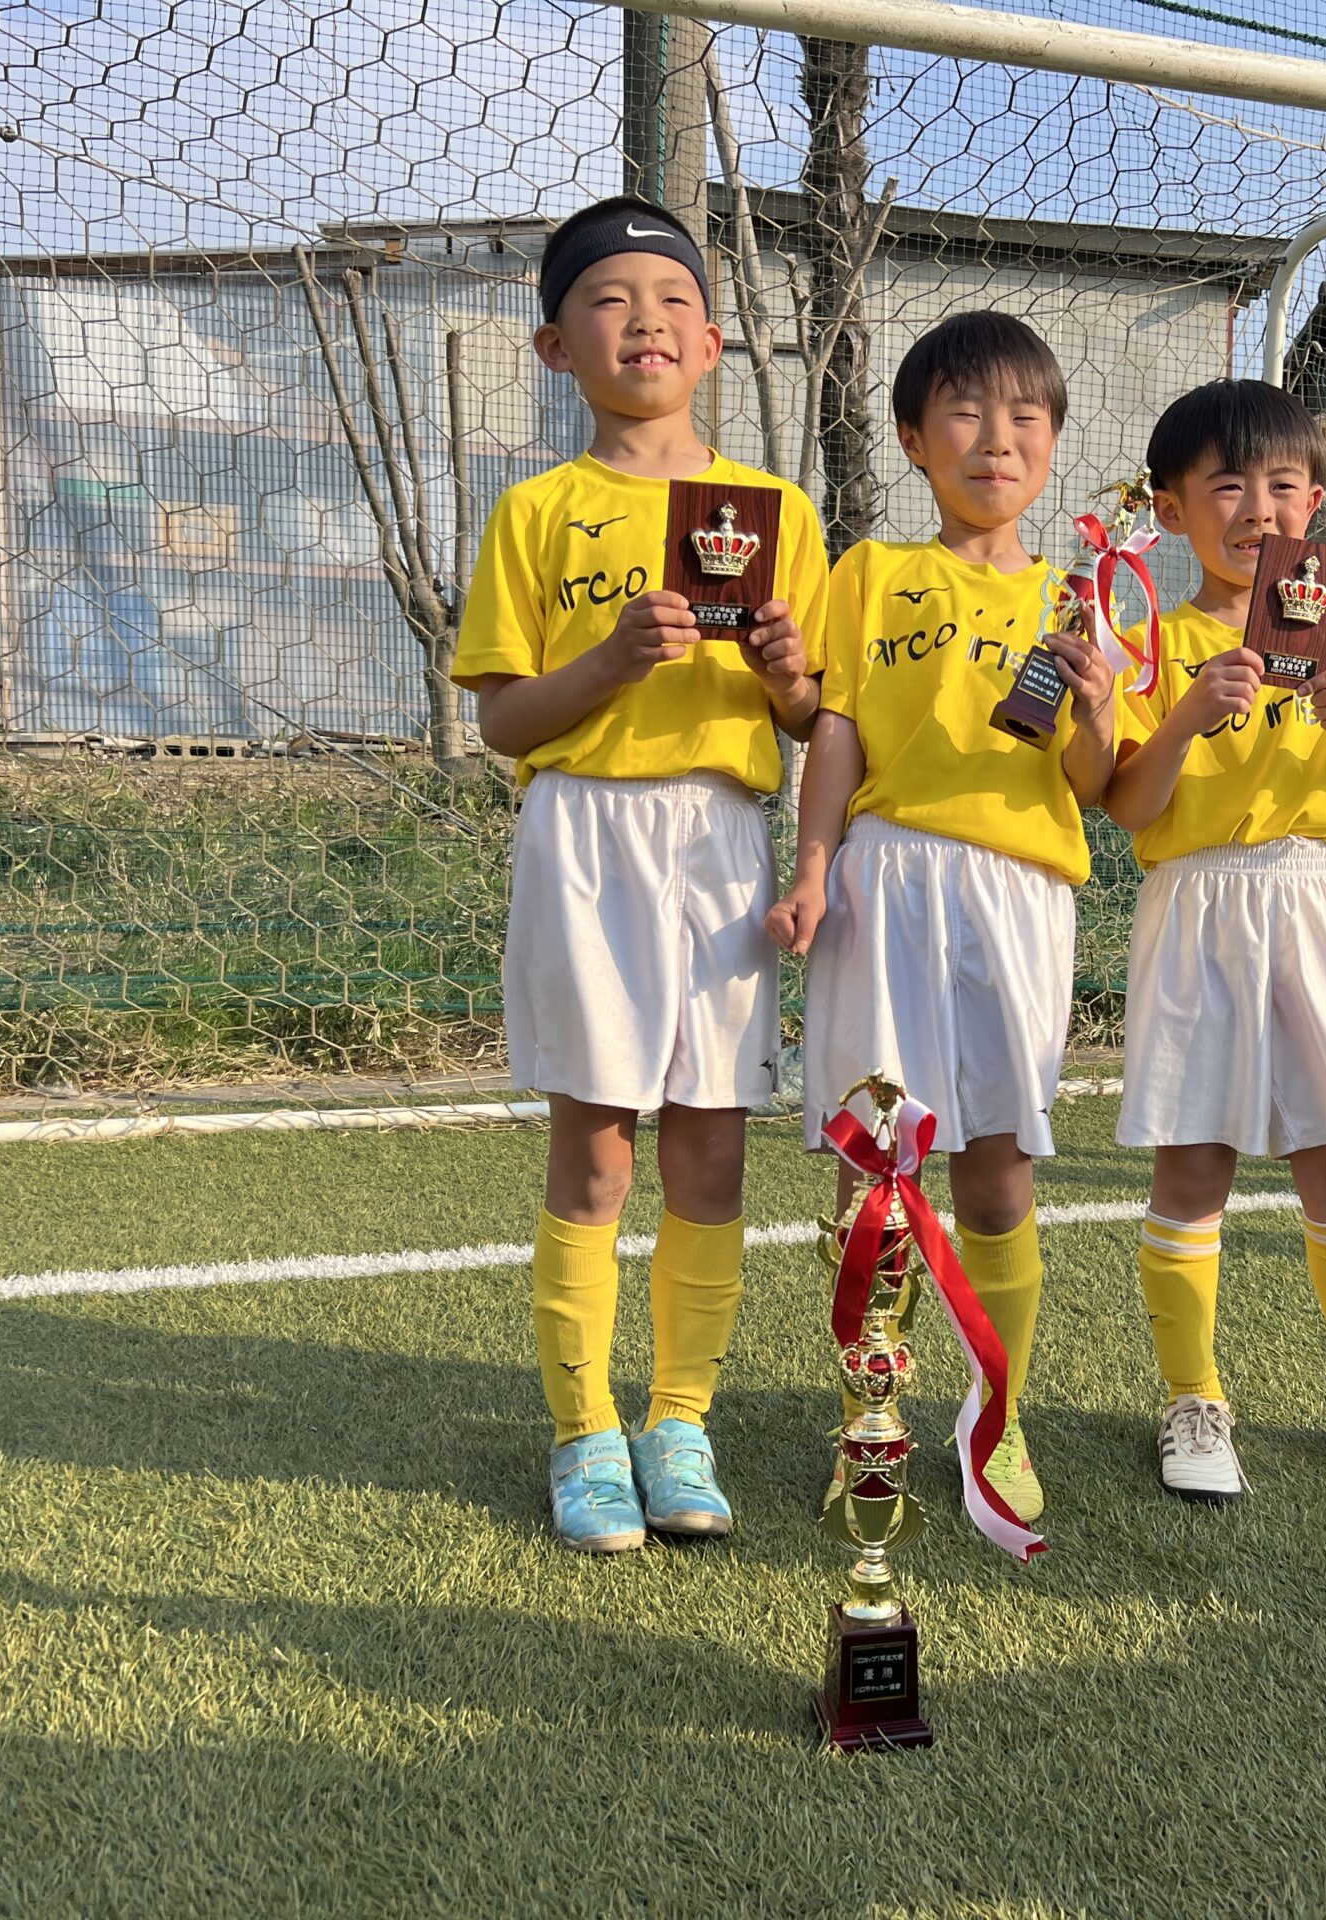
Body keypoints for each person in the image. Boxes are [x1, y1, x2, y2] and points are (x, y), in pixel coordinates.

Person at [453, 196, 828, 1553]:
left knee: (712, 1143)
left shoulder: (776, 513)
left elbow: (812, 716)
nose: (645, 321)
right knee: (599, 1145)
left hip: (721, 842)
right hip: (586, 838)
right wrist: (611, 661)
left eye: (671, 300)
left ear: (715, 343)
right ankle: (582, 1434)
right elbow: (502, 721)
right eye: (609, 301)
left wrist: (787, 676)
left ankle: (680, 1423)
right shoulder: (537, 511)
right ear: (556, 347)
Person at [767, 311, 1117, 1522]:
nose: (995, 439)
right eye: (964, 413)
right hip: (886, 880)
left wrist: (1100, 707)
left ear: (1052, 440)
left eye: (1024, 416)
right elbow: (836, 731)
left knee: (998, 1168)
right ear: (915, 440)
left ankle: (997, 1417)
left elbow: (1091, 783)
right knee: (878, 1162)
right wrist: (812, 868)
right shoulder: (871, 574)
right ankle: (869, 1419)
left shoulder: (1080, 595)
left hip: (1018, 894)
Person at [1104, 378, 1326, 1504]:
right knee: (1192, 1157)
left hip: (1316, 900)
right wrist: (1184, 715)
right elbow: (1125, 805)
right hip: (1195, 904)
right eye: (1227, 486)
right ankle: (1192, 1400)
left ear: (1315, 504)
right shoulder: (1149, 642)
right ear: (1173, 510)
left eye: (1281, 485)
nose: (1257, 509)